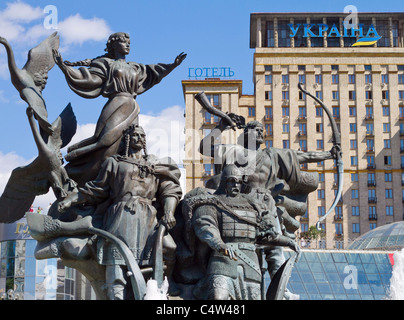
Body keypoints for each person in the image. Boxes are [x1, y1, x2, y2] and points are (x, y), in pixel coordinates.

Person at [199, 119, 334, 299]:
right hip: (242, 204)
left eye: (263, 130)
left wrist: (329, 154)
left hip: (266, 204)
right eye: (256, 130)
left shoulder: (272, 155)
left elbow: (303, 157)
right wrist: (221, 126)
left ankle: (281, 288)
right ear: (246, 133)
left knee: (275, 248)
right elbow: (205, 148)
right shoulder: (235, 151)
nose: (261, 133)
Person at [57, 124, 182, 300]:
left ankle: (167, 281)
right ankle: (116, 295)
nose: (139, 138)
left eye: (142, 135)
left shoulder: (154, 164)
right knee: (117, 260)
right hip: (121, 215)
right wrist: (71, 199)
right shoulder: (114, 163)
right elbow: (96, 189)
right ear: (127, 140)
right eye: (136, 135)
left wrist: (169, 212)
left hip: (148, 217)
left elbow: (170, 190)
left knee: (169, 247)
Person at [53, 32, 186, 185]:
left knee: (128, 148)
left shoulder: (135, 67)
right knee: (105, 147)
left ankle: (121, 185)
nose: (128, 44)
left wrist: (173, 65)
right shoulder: (106, 64)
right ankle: (77, 175)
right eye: (124, 42)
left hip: (132, 107)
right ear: (114, 45)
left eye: (129, 42)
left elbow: (153, 73)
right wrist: (64, 68)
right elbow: (90, 79)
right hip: (115, 104)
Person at [191, 165, 300, 300]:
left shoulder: (253, 205)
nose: (236, 184)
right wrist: (219, 244)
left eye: (238, 181)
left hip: (250, 266)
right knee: (217, 297)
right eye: (232, 180)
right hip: (222, 261)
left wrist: (288, 242)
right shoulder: (211, 203)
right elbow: (206, 227)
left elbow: (264, 235)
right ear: (224, 181)